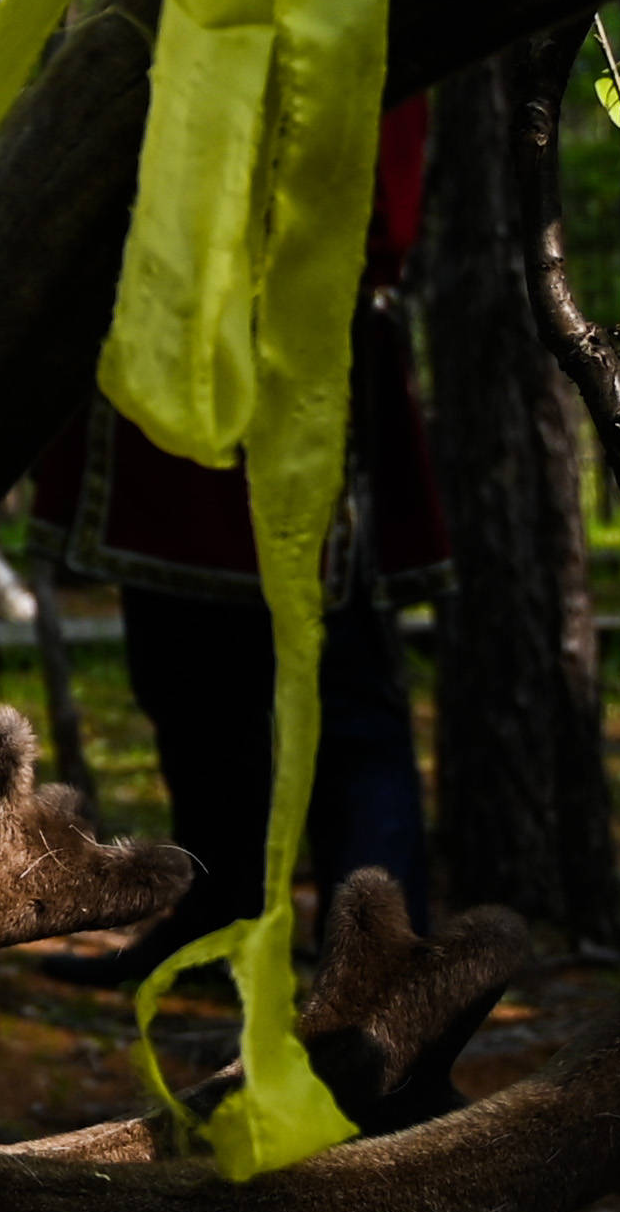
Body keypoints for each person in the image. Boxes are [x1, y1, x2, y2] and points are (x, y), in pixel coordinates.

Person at [29, 91, 450, 982]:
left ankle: (378, 975)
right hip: (163, 362)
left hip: (300, 363)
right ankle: (221, 915)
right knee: (182, 672)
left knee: (340, 693)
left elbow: (377, 216)